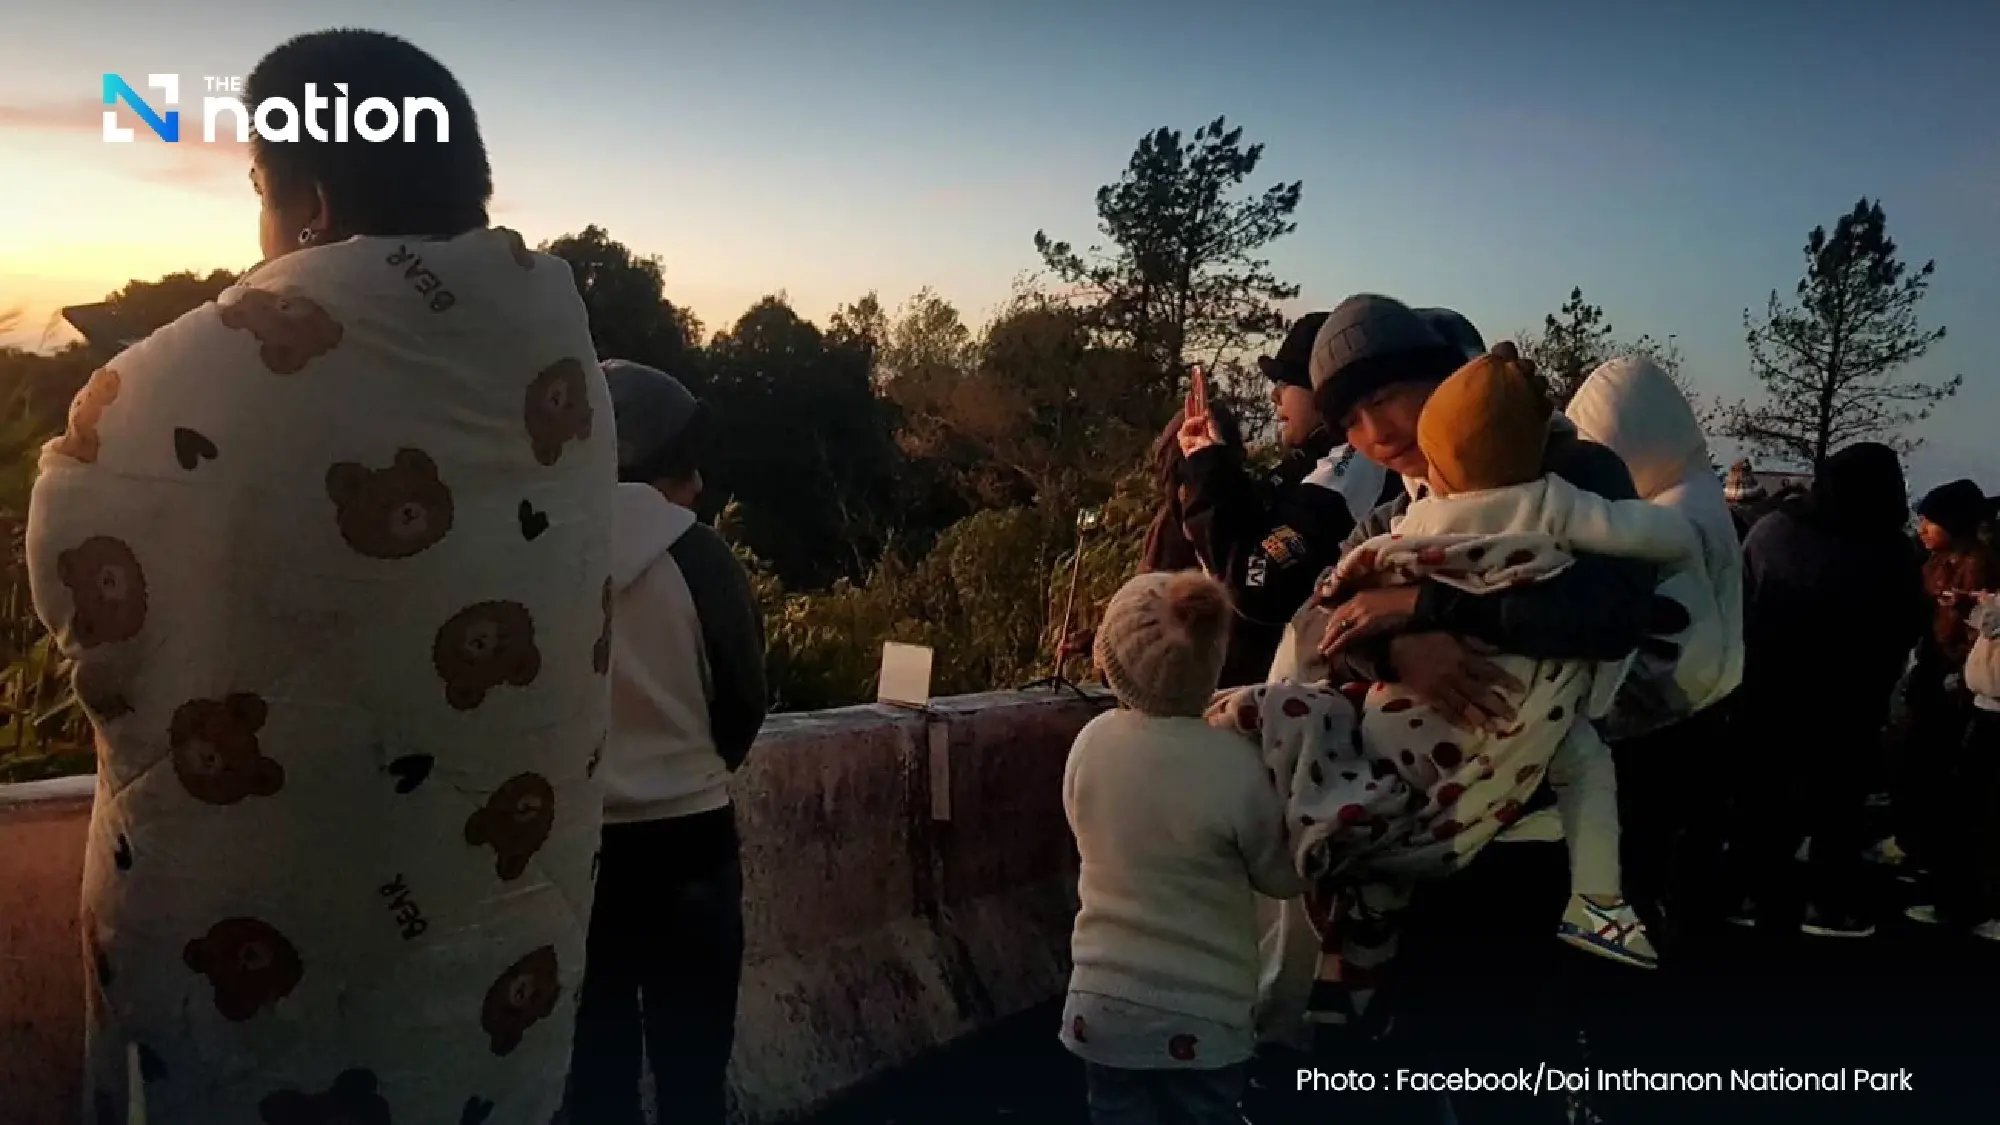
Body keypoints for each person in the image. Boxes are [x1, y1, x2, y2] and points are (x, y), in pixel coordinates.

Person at [29, 29, 615, 1124]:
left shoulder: (201, 370)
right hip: (495, 964)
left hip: (260, 959)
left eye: (258, 185)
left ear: (309, 197)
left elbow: (84, 565)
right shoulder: (557, 353)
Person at [568, 361, 768, 1125]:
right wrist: (700, 765)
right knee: (692, 1073)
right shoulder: (702, 557)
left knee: (595, 1074)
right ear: (668, 459)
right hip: (690, 840)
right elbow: (744, 696)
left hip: (581, 846)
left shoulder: (546, 545)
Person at [1059, 571, 1303, 1125]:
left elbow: (1082, 824)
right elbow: (1283, 878)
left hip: (1101, 1008)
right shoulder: (1238, 766)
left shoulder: (1091, 742)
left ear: (1111, 661)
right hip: (1205, 1018)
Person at [1565, 357, 1745, 945]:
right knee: (1674, 867)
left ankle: (1625, 993)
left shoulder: (1671, 519)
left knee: (1634, 875)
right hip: (1703, 721)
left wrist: (1598, 720)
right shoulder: (1695, 496)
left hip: (1659, 737)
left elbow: (1671, 657)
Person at [1732, 444, 1927, 938]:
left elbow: (1742, 598)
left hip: (1770, 689)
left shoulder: (1775, 531)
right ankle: (1829, 904)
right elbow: (1904, 625)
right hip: (1849, 700)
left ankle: (1750, 893)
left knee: (1764, 795)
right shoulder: (1891, 551)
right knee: (1838, 803)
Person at [1171, 314, 1390, 685]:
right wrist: (1213, 464)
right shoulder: (1312, 463)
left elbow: (1254, 587)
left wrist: (1209, 473)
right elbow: (1253, 529)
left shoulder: (1353, 467)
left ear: (1324, 391)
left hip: (1294, 706)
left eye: (1286, 382)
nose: (1274, 395)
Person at [1894, 479, 1999, 878]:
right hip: (1931, 665)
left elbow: (1980, 630)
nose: (1922, 529)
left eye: (1930, 522)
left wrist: (1958, 671)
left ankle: (1928, 849)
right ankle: (1915, 841)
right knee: (1914, 756)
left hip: (1955, 677)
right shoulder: (1932, 561)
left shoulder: (1977, 566)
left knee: (1933, 761)